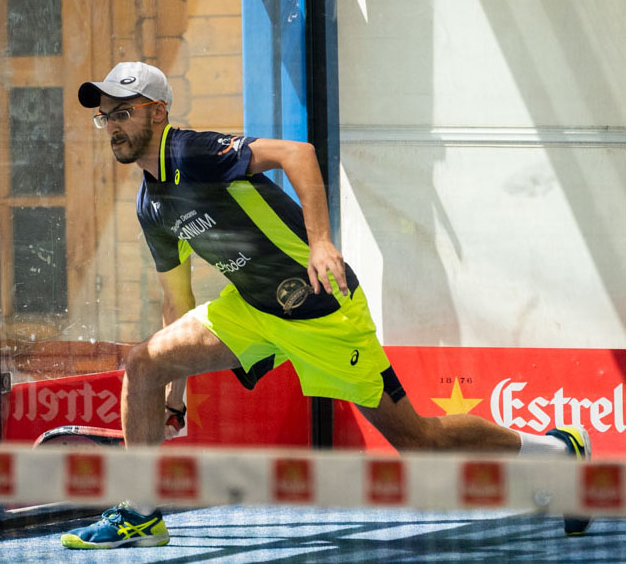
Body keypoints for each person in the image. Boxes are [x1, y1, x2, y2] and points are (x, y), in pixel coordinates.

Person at [61, 62, 591, 549]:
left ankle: (559, 452)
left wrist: (320, 242)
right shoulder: (150, 205)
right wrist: (174, 398)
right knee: (145, 364)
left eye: (123, 113)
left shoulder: (192, 152)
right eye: (106, 117)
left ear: (158, 112)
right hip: (252, 309)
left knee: (420, 443)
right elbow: (177, 300)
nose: (113, 126)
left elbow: (297, 153)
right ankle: (142, 512)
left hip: (322, 310)